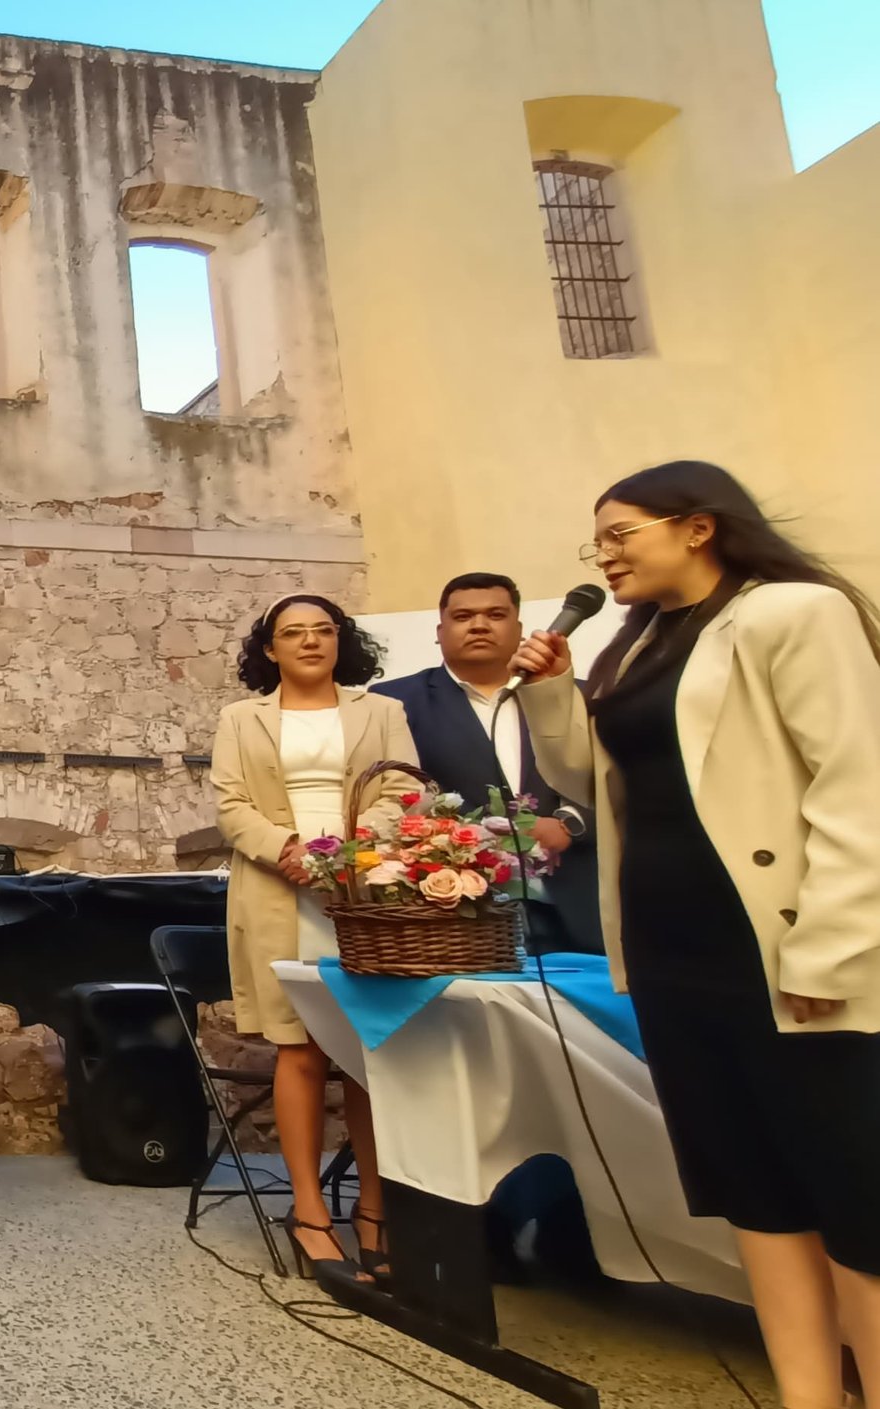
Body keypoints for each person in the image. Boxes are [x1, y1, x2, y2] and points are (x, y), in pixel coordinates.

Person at [512, 460, 880, 1409]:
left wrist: (830, 947)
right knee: (756, 1193)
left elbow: (857, 784)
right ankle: (809, 1396)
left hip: (789, 952)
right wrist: (554, 694)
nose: (604, 554)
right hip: (679, 957)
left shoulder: (792, 613)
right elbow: (593, 783)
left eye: (620, 532)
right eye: (597, 538)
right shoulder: (636, 647)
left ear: (699, 526)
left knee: (853, 1198)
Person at [209, 593, 418, 1283]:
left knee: (368, 1055)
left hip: (364, 893)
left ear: (341, 640)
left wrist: (350, 854)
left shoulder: (381, 712)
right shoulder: (242, 719)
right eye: (292, 632)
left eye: (322, 630)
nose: (308, 642)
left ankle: (375, 1210)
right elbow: (232, 805)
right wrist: (294, 851)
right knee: (297, 1050)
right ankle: (308, 1213)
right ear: (268, 648)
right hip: (279, 889)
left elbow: (402, 794)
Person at [373, 572, 603, 956]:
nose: (479, 625)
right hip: (461, 904)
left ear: (519, 629)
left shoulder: (578, 694)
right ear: (439, 630)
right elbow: (392, 796)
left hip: (579, 897)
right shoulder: (393, 702)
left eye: (495, 615)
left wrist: (570, 824)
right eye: (463, 617)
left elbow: (622, 782)